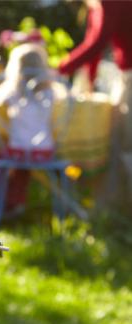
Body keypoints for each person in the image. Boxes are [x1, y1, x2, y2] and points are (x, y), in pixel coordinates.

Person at [58, 0, 132, 207]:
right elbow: (94, 47)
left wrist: (60, 68)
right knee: (115, 137)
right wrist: (87, 84)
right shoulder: (95, 7)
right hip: (124, 75)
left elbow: (99, 41)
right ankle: (116, 203)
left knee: (126, 141)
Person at [0, 43, 61, 214]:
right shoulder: (51, 90)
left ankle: (0, 199)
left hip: (18, 150)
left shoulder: (11, 90)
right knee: (23, 166)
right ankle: (17, 201)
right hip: (44, 151)